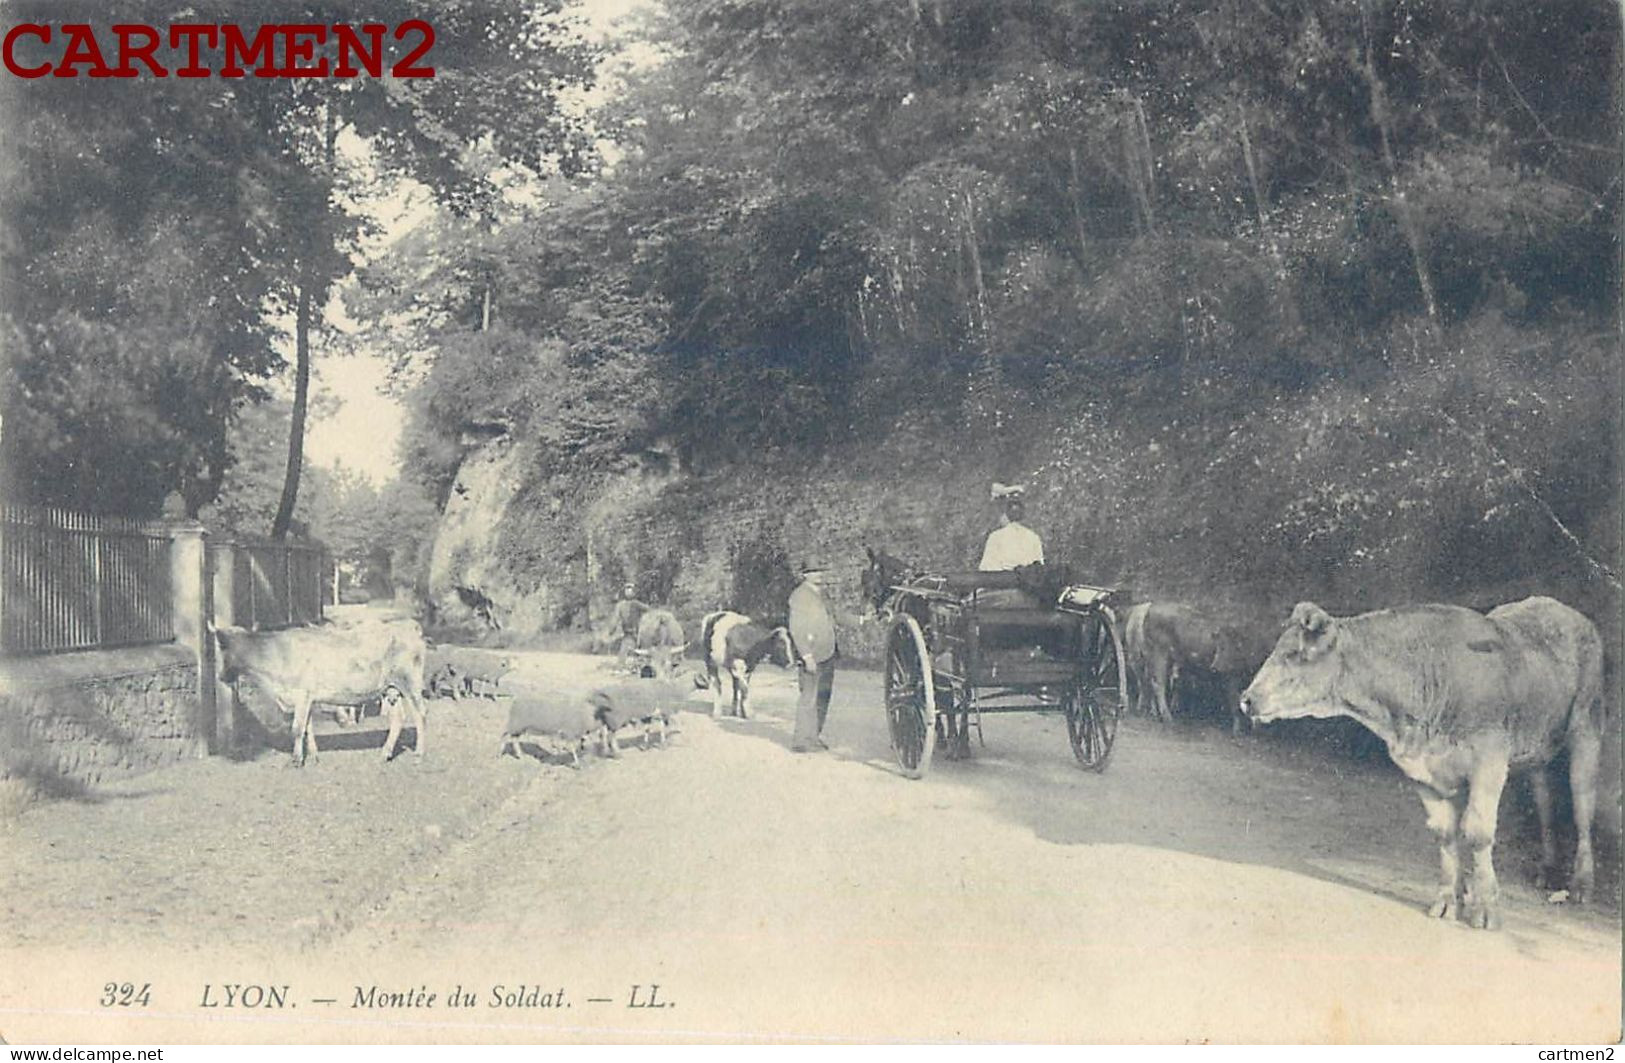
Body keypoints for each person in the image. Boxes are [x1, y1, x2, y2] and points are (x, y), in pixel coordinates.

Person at [787, 562, 838, 753]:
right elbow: (796, 627)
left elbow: (837, 616)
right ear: (804, 575)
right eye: (813, 571)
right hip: (812, 655)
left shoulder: (822, 594)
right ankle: (800, 741)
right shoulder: (799, 596)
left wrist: (862, 619)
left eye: (820, 570)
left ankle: (814, 736)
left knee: (823, 696)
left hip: (828, 653)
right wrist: (806, 655)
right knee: (808, 696)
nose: (818, 574)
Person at [979, 484, 1044, 572]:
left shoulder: (996, 538)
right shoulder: (1034, 537)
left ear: (1005, 514)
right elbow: (1039, 570)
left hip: (1003, 584)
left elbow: (986, 571)